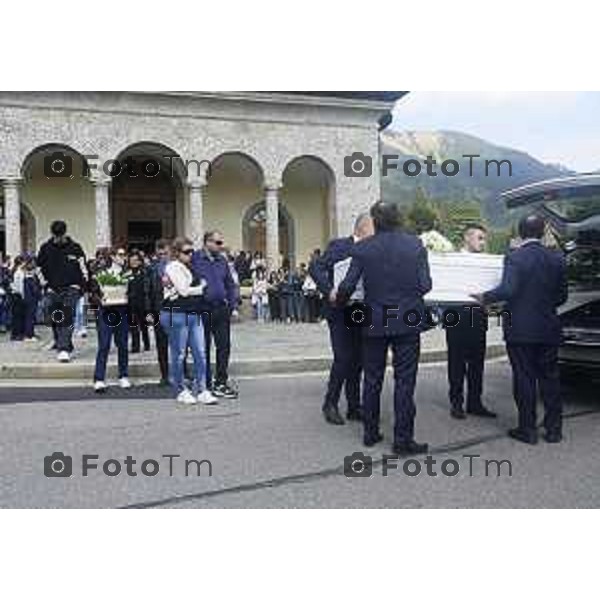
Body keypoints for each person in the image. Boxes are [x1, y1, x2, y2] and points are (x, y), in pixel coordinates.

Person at [338, 202, 432, 455]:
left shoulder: (363, 248)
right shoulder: (414, 245)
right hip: (407, 319)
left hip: (374, 319)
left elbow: (348, 285)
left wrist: (338, 301)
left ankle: (370, 433)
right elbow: (425, 285)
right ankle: (403, 439)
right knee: (405, 381)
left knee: (372, 378)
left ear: (375, 221)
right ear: (399, 218)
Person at [476, 214, 568, 444]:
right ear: (541, 232)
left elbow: (507, 290)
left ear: (520, 232)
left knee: (524, 378)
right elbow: (562, 296)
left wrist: (484, 297)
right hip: (548, 327)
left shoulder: (515, 257)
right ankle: (554, 429)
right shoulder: (557, 258)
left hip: (520, 328)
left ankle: (527, 429)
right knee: (550, 378)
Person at [309, 213, 374, 425]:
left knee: (358, 360)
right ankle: (330, 403)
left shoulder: (372, 250)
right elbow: (316, 267)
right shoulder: (340, 246)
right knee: (343, 358)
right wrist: (329, 291)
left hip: (360, 310)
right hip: (338, 310)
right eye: (375, 227)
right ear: (363, 228)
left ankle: (354, 407)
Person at [445, 224, 496, 419]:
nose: (483, 242)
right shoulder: (452, 260)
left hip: (478, 317)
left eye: (484, 238)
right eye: (479, 238)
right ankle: (456, 402)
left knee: (477, 363)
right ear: (467, 238)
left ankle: (475, 402)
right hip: (456, 316)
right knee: (456, 363)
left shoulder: (485, 262)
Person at [160, 237, 217, 405]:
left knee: (200, 352)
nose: (190, 254)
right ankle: (181, 389)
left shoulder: (189, 266)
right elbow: (184, 291)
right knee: (179, 354)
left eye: (192, 251)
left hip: (193, 312)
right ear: (177, 253)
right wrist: (201, 288)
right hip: (175, 313)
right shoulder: (172, 266)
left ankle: (202, 389)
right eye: (186, 252)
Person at [191, 230, 239, 399]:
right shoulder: (195, 258)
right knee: (203, 348)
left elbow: (230, 284)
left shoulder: (222, 261)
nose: (221, 246)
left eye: (221, 242)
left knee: (224, 346)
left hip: (221, 309)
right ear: (207, 243)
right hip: (202, 309)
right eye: (217, 243)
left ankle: (221, 382)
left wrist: (232, 305)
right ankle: (205, 383)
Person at [37, 220, 87, 362]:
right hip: (52, 288)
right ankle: (61, 341)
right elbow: (39, 268)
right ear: (52, 234)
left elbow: (83, 268)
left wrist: (82, 286)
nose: (58, 239)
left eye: (60, 235)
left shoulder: (75, 248)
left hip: (71, 288)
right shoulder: (45, 248)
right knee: (52, 315)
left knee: (65, 316)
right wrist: (45, 285)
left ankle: (63, 349)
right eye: (56, 236)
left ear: (65, 233)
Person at [89, 248, 131, 392]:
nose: (123, 257)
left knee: (123, 344)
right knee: (104, 345)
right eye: (120, 254)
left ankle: (123, 375)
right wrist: (100, 300)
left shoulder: (127, 273)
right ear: (112, 257)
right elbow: (93, 293)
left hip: (122, 309)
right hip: (106, 310)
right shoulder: (100, 273)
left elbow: (132, 291)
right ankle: (99, 378)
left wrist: (129, 299)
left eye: (124, 254)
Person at [146, 239, 170, 386]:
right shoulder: (151, 269)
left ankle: (183, 372)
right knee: (162, 345)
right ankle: (165, 375)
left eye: (165, 253)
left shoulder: (177, 266)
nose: (162, 256)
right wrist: (149, 312)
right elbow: (147, 291)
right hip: (158, 311)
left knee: (180, 344)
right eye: (160, 254)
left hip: (176, 310)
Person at [127, 250, 151, 354]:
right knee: (133, 326)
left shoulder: (145, 272)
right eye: (132, 260)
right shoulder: (127, 273)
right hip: (131, 303)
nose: (134, 262)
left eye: (136, 260)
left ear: (140, 261)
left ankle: (146, 344)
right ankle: (135, 346)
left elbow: (148, 288)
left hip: (142, 302)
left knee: (143, 325)